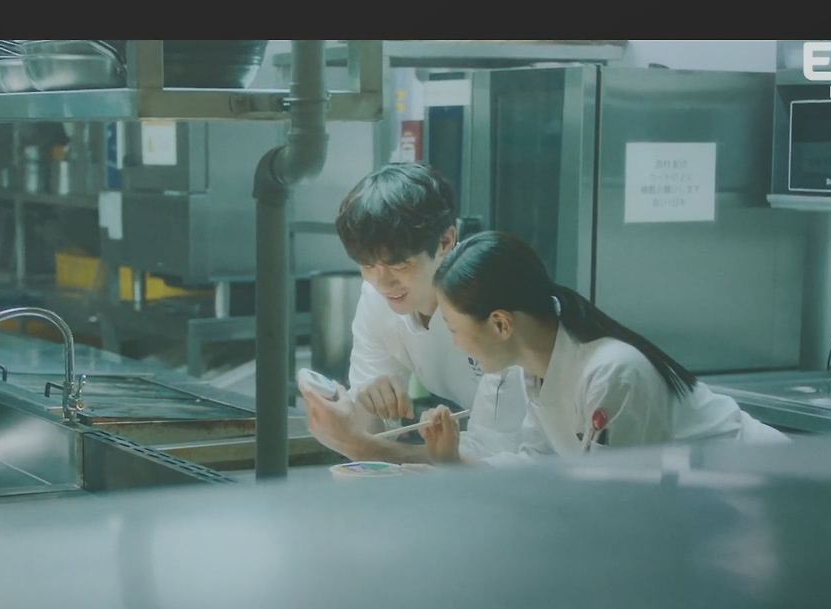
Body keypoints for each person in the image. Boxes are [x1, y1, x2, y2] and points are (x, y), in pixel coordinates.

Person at [418, 231, 789, 465]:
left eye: (453, 328)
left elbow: (606, 497)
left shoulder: (612, 372)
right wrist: (455, 462)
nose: (456, 343)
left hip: (765, 479)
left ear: (501, 323)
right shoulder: (537, 368)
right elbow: (540, 464)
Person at [297, 164, 526, 463]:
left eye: (399, 265)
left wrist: (357, 445)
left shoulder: (492, 304)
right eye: (367, 265)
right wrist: (366, 406)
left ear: (446, 241)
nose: (382, 282)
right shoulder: (377, 298)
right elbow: (373, 432)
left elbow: (498, 458)